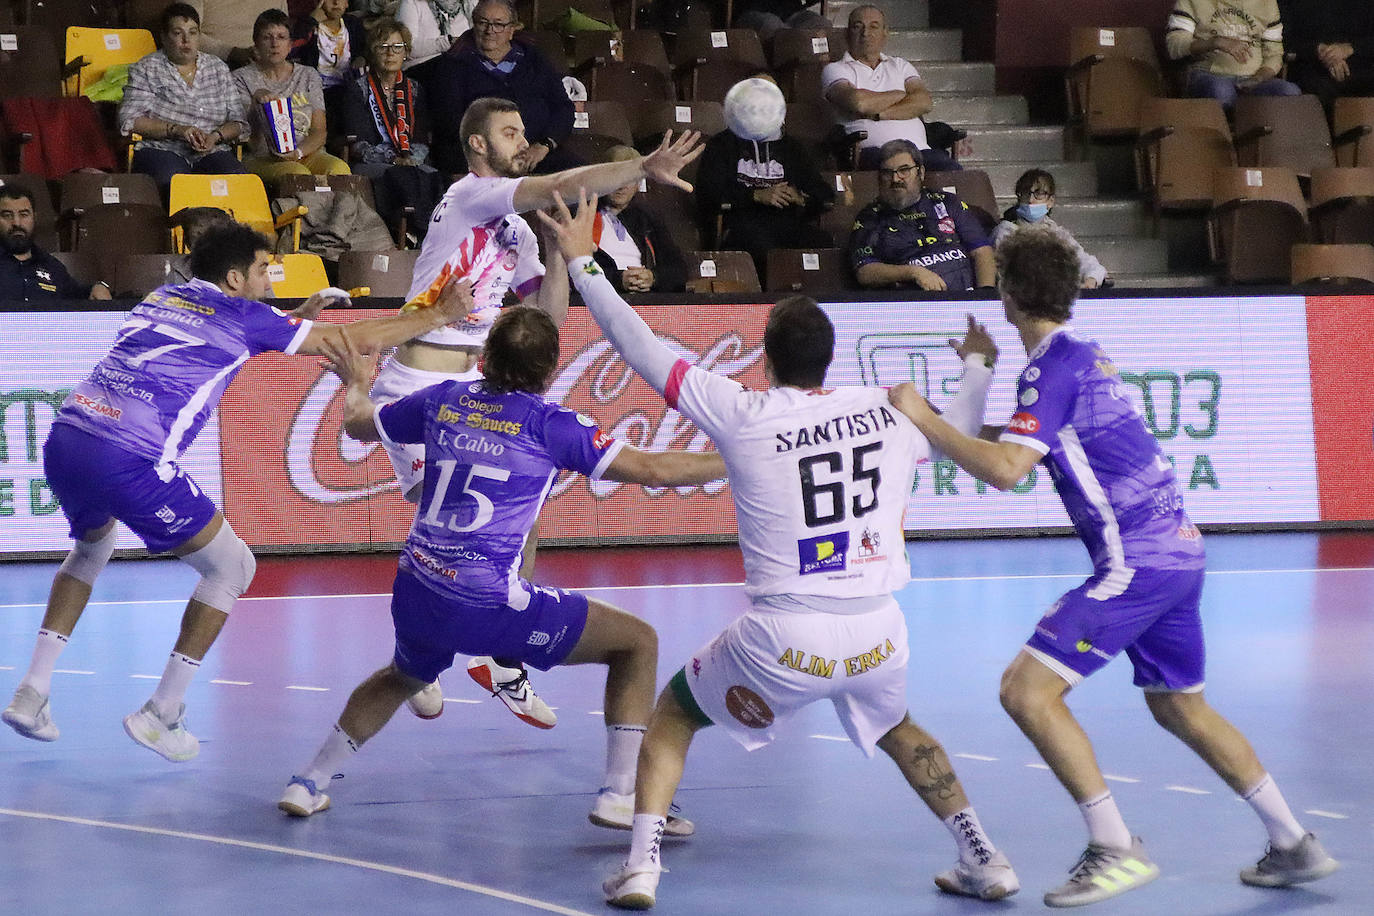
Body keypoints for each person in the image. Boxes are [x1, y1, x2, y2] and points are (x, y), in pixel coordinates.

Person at [538, 190, 1019, 909]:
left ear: (764, 362)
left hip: (785, 634)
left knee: (673, 715)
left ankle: (641, 866)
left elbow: (641, 346)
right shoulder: (885, 412)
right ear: (832, 359)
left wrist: (583, 263)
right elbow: (956, 431)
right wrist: (978, 367)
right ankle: (985, 854)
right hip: (878, 627)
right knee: (899, 729)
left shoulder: (742, 412)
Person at [886, 226, 1340, 907]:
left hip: (1138, 560)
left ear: (1008, 294)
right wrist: (968, 380)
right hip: (1180, 552)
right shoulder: (1077, 356)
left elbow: (1007, 471)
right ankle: (1292, 841)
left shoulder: (1050, 369)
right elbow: (1010, 445)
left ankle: (1115, 847)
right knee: (1180, 706)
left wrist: (922, 413)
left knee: (1025, 691)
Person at [0, 222, 477, 761]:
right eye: (260, 269)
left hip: (68, 436)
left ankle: (32, 691)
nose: (268, 276)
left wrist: (297, 321)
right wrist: (439, 315)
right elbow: (354, 342)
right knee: (233, 568)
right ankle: (163, 711)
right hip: (130, 457)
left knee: (91, 546)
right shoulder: (247, 316)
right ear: (234, 277)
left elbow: (230, 335)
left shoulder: (166, 294)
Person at [276, 308, 726, 830]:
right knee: (638, 644)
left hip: (417, 586)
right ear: (551, 370)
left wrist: (358, 382)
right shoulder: (551, 426)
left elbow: (357, 424)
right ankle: (620, 793)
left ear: (484, 358)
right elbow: (655, 469)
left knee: (404, 675)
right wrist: (740, 457)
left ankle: (308, 782)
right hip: (487, 603)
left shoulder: (442, 399)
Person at [696, 79, 835, 279]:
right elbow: (708, 194)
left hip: (787, 223)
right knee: (762, 246)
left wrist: (800, 197)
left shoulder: (792, 148)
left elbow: (824, 194)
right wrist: (755, 195)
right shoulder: (721, 145)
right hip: (741, 225)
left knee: (821, 242)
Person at [425, 0, 576, 176]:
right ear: (474, 25)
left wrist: (544, 146)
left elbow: (563, 109)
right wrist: (502, 151)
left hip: (537, 154)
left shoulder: (535, 59)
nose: (490, 31)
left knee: (582, 178)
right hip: (481, 159)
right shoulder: (453, 65)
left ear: (512, 29)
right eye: (483, 23)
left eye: (498, 24)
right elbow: (450, 122)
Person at [119, 2, 249, 197]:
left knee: (236, 181)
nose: (186, 40)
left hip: (211, 150)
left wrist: (215, 137)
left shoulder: (218, 68)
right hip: (162, 148)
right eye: (178, 33)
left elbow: (239, 122)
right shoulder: (147, 68)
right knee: (172, 181)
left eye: (193, 32)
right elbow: (130, 119)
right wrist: (178, 130)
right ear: (163, 37)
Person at [339, 18, 445, 237]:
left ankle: (429, 235)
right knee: (400, 176)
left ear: (405, 52)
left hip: (411, 162)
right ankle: (409, 232)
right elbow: (358, 144)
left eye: (397, 47)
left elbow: (422, 137)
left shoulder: (414, 89)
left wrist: (411, 158)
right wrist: (394, 159)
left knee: (433, 176)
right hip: (373, 163)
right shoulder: (357, 90)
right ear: (372, 52)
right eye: (383, 47)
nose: (390, 53)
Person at [822, 5, 961, 172]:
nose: (866, 33)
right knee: (899, 171)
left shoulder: (901, 65)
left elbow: (924, 102)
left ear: (885, 32)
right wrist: (900, 94)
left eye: (874, 26)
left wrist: (879, 115)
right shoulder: (836, 69)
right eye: (858, 26)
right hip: (873, 153)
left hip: (920, 151)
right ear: (847, 33)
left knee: (952, 171)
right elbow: (859, 102)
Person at [849, 140, 995, 292]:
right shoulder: (870, 217)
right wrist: (913, 272)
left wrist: (985, 296)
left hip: (967, 298)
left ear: (921, 172)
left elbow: (981, 250)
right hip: (916, 305)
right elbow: (865, 272)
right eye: (887, 173)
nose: (895, 179)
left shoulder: (947, 203)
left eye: (904, 170)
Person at [234, 9, 351, 183]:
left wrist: (298, 152)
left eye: (281, 37)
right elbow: (248, 139)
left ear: (290, 45)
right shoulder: (240, 78)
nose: (275, 44)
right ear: (256, 43)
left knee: (339, 169)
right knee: (297, 174)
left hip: (307, 153)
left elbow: (319, 131)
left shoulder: (308, 75)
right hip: (263, 158)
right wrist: (256, 101)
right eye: (267, 37)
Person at [1166, 0, 1301, 111]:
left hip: (1254, 81)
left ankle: (1265, 140)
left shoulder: (1266, 3)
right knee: (1221, 91)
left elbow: (1274, 55)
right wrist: (1215, 42)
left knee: (1290, 92)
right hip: (1208, 75)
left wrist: (1258, 78)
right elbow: (1174, 45)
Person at [990, 169, 1107, 290]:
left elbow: (1089, 265)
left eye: (1039, 193)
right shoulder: (1005, 231)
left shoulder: (1057, 233)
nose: (1030, 200)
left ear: (1050, 201)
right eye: (1025, 193)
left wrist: (1091, 280)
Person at [592, 146, 687, 294]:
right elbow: (576, 267)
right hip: (598, 297)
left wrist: (653, 277)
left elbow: (678, 269)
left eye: (629, 179)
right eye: (615, 177)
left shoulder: (648, 218)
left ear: (638, 183)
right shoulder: (583, 215)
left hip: (644, 301)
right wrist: (618, 280)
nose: (622, 186)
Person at [0, 185, 112, 302]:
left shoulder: (51, 266)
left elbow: (78, 296)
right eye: (7, 215)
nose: (16, 223)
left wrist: (97, 287)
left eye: (24, 214)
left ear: (34, 218)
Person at [1278, 0, 1374, 114]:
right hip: (1310, 66)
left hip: (1362, 63)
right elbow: (1280, 41)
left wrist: (1350, 48)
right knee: (1316, 90)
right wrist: (1318, 50)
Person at [288, 0, 367, 127]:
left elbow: (365, 49)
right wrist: (311, 21)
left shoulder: (352, 24)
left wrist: (361, 57)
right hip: (318, 90)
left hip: (348, 88)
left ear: (347, 3)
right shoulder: (309, 26)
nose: (336, 3)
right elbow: (290, 49)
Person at [189, 0, 289, 66]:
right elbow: (186, 34)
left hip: (269, 65)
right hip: (213, 65)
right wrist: (231, 52)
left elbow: (285, 32)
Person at [397, 0, 472, 70]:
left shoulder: (467, 6)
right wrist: (448, 42)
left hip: (458, 69)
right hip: (419, 71)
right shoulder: (411, 3)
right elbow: (406, 48)